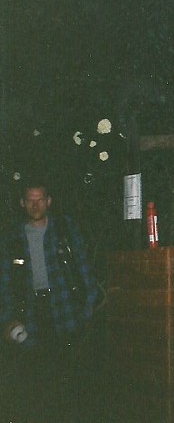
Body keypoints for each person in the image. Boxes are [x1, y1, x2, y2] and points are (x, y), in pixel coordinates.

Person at [0, 180, 98, 422]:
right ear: (22, 203)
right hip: (31, 314)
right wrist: (8, 320)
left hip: (65, 311)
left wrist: (87, 308)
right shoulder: (11, 238)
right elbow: (5, 282)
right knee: (36, 379)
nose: (36, 205)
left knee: (70, 378)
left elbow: (84, 269)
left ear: (49, 201)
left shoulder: (65, 229)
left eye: (40, 199)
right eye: (30, 200)